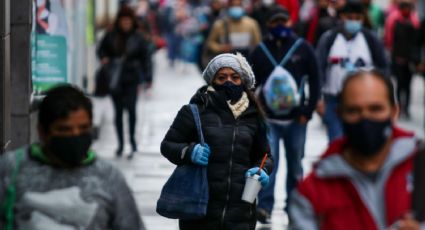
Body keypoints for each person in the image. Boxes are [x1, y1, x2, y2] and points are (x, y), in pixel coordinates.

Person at [289, 70, 423, 229]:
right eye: (354, 111)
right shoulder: (313, 193)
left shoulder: (420, 166)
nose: (365, 118)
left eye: (375, 109)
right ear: (339, 114)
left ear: (394, 112)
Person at [0, 85, 144, 229]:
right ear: (43, 132)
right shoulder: (11, 170)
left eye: (83, 128)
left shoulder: (109, 177)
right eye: (65, 129)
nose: (75, 135)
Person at [160, 53, 273, 230]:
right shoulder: (194, 110)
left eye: (235, 77)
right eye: (222, 77)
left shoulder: (253, 116)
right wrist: (190, 152)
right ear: (212, 80)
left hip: (241, 212)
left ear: (243, 81)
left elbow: (265, 155)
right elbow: (168, 145)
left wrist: (262, 169)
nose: (228, 82)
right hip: (200, 209)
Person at [249, 5, 320, 223]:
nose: (280, 26)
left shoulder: (303, 48)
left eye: (284, 21)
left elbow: (316, 80)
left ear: (290, 22)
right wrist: (254, 112)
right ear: (268, 24)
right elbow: (251, 84)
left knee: (296, 165)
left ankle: (294, 206)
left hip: (296, 120)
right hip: (269, 119)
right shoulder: (260, 51)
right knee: (270, 164)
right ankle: (264, 206)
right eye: (275, 22)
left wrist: (308, 110)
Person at [316, 0, 388, 142]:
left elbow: (383, 68)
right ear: (342, 17)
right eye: (350, 18)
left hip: (364, 101)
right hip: (334, 100)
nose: (353, 22)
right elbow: (319, 68)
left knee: (360, 142)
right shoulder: (330, 38)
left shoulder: (370, 39)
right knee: (336, 142)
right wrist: (318, 99)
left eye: (357, 18)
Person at [97, 6, 149, 158]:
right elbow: (100, 50)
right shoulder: (111, 35)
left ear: (132, 22)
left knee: (132, 110)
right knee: (118, 112)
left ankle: (132, 142)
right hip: (115, 79)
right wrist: (104, 59)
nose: (126, 24)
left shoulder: (138, 37)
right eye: (123, 21)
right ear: (119, 21)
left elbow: (146, 58)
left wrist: (147, 78)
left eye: (128, 21)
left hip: (131, 78)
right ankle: (120, 144)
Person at [384, 0, 421, 119]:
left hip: (410, 59)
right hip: (398, 57)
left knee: (408, 84)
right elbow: (389, 38)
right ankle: (400, 107)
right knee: (400, 85)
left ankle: (407, 108)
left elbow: (417, 41)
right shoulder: (393, 19)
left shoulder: (415, 20)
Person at [203, 0, 261, 67]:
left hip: (246, 62)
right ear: (228, 7)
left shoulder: (251, 24)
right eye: (233, 6)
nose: (236, 8)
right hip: (226, 63)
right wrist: (220, 48)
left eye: (238, 5)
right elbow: (210, 43)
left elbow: (258, 44)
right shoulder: (220, 25)